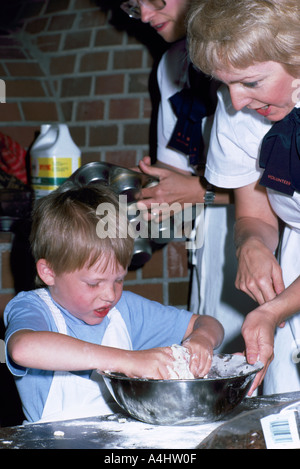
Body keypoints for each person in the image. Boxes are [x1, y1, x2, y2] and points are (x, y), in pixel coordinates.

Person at [4, 184, 224, 423]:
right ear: (49, 273)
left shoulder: (125, 311)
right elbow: (22, 348)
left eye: (119, 279)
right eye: (93, 283)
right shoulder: (34, 308)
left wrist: (202, 339)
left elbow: (207, 323)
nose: (110, 294)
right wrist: (128, 360)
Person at [120, 0, 257, 353]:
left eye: (157, 1)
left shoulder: (254, 48)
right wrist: (145, 189)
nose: (147, 16)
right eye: (135, 7)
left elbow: (284, 179)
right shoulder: (171, 64)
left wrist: (199, 192)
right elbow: (174, 171)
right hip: (211, 241)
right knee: (213, 354)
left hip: (273, 238)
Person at [187, 0, 300, 395]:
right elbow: (255, 209)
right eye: (225, 83)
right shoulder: (237, 106)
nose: (235, 103)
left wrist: (274, 310)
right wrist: (251, 242)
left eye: (251, 83)